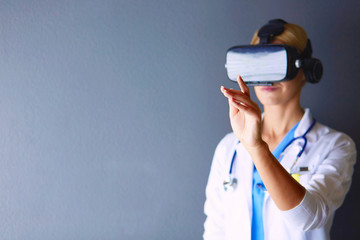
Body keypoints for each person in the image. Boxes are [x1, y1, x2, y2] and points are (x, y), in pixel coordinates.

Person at [203, 19, 357, 240]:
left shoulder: (336, 145)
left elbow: (308, 218)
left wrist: (257, 148)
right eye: (260, 63)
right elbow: (215, 229)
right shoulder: (229, 148)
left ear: (305, 70)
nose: (268, 77)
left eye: (278, 63)